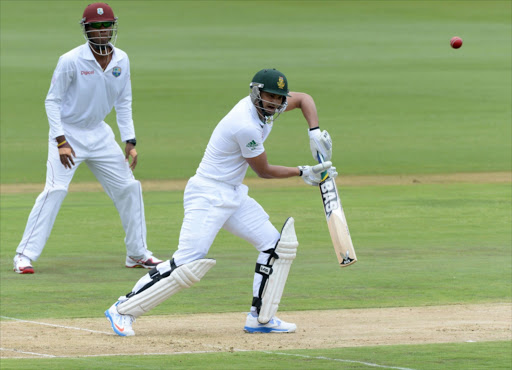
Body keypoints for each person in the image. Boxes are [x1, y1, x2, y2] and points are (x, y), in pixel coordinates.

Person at [104, 68, 336, 336]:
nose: (273, 103)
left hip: (233, 194)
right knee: (187, 263)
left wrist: (314, 132)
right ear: (256, 92)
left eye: (279, 98)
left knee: (275, 247)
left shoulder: (273, 107)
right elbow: (264, 170)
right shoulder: (245, 124)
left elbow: (305, 98)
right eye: (269, 96)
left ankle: (261, 318)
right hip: (208, 195)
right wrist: (304, 171)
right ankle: (122, 308)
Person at [12, 3, 162, 274]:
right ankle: (24, 256)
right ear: (87, 29)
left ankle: (137, 254)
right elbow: (52, 101)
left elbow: (124, 100)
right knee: (55, 190)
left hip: (99, 133)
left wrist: (130, 140)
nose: (103, 32)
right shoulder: (71, 60)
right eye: (96, 26)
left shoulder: (122, 60)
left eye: (107, 26)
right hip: (67, 133)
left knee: (130, 188)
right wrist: (60, 141)